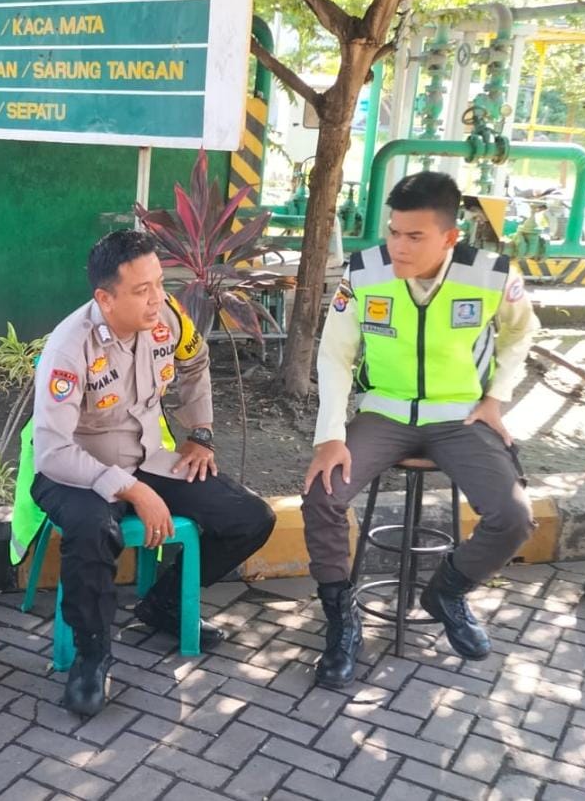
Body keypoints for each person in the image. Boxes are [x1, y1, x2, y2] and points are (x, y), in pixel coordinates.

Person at [302, 170, 538, 689]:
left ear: (450, 236)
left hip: (460, 417)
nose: (399, 246)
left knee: (513, 517)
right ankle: (341, 620)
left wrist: (496, 398)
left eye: (415, 236)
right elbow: (335, 354)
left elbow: (522, 333)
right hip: (383, 412)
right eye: (393, 232)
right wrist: (331, 435)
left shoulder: (491, 274)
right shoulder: (363, 273)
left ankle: (447, 592)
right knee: (322, 494)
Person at [30, 229, 275, 716]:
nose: (157, 298)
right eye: (142, 290)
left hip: (148, 457)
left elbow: (196, 361)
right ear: (106, 298)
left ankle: (164, 603)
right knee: (92, 531)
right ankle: (91, 655)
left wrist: (200, 432)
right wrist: (132, 491)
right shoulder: (69, 347)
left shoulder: (166, 317)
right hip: (76, 472)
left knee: (251, 518)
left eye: (160, 283)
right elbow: (52, 452)